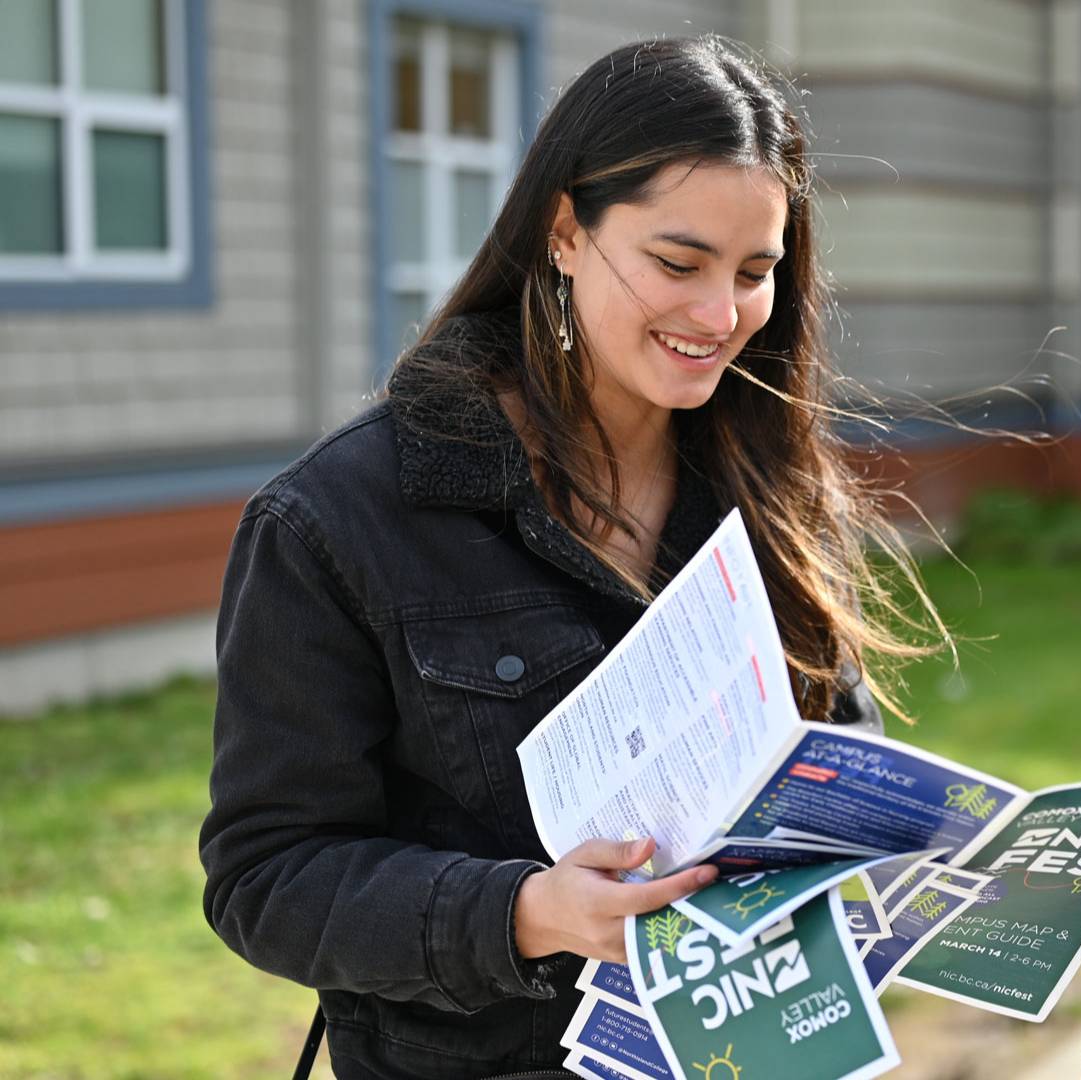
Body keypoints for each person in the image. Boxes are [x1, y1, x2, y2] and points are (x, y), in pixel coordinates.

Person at [200, 36, 938, 1080]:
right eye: (678, 264)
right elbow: (266, 879)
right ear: (563, 233)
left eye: (756, 273)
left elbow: (836, 744)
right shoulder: (339, 521)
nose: (720, 315)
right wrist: (525, 912)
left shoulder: (771, 488)